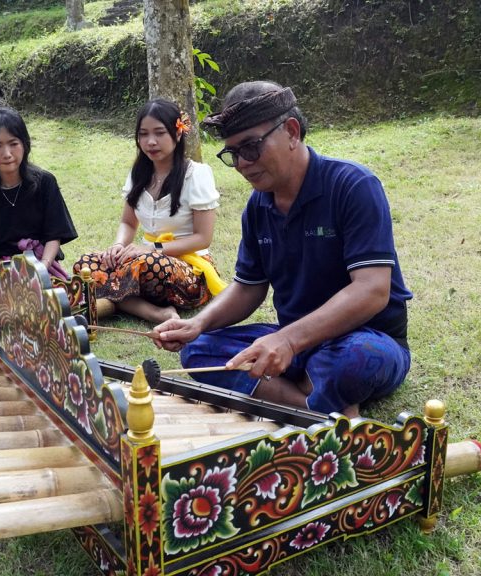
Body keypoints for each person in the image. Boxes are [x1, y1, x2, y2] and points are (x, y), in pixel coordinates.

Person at [154, 81, 412, 418]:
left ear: (291, 131)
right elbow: (248, 288)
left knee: (357, 359)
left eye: (251, 147)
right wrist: (198, 324)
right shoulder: (258, 208)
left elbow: (372, 290)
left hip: (363, 338)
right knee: (198, 352)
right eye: (234, 154)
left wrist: (289, 341)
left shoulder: (353, 186)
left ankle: (301, 395)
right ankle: (314, 409)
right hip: (295, 341)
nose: (243, 164)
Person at [74, 99, 224, 324]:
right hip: (140, 258)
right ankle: (155, 312)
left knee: (147, 265)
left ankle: (114, 295)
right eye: (143, 134)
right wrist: (118, 246)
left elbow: (203, 239)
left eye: (159, 133)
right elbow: (128, 222)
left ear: (178, 133)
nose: (151, 141)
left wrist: (151, 249)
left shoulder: (197, 174)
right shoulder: (139, 174)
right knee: (85, 264)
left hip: (187, 269)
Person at [0, 107, 77, 280]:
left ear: (24, 144)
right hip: (2, 272)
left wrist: (43, 267)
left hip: (42, 266)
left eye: (13, 144)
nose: (7, 154)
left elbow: (54, 234)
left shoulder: (45, 183)